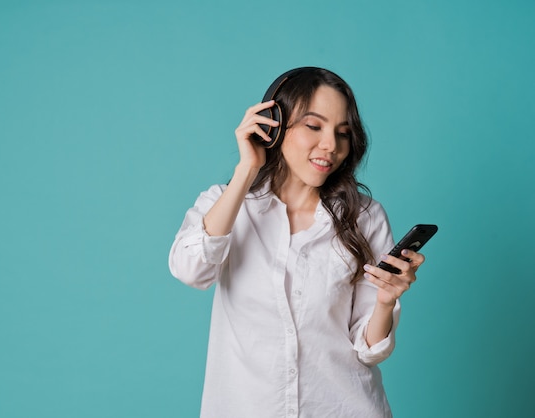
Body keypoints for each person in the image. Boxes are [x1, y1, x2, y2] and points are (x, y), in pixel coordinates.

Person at [168, 67, 426, 418]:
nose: (331, 146)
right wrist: (247, 170)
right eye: (314, 126)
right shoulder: (227, 204)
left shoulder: (365, 217)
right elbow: (191, 270)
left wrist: (385, 301)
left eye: (342, 133)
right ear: (273, 125)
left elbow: (370, 351)